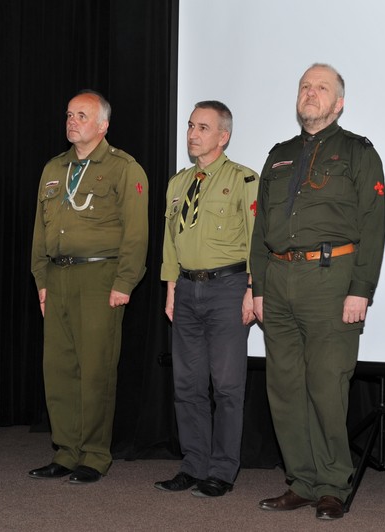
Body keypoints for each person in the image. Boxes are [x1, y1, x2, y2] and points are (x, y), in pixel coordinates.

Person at [250, 63, 385, 520]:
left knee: (327, 386)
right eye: (305, 87)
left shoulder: (357, 152)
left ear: (339, 102)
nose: (311, 93)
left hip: (331, 279)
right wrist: (259, 286)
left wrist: (361, 289)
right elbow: (261, 229)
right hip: (280, 280)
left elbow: (373, 223)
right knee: (284, 388)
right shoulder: (279, 153)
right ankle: (302, 481)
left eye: (321, 88)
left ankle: (332, 484)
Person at [29, 89, 149, 484]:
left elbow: (136, 235)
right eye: (69, 114)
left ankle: (94, 456)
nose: (72, 121)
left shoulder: (123, 168)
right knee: (59, 369)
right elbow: (39, 232)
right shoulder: (53, 168)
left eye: (81, 115)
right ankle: (65, 451)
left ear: (103, 125)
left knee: (96, 369)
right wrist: (41, 279)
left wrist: (124, 283)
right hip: (58, 277)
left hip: (100, 278)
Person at [155, 100, 259, 497]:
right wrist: (170, 288)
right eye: (190, 126)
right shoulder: (179, 183)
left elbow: (254, 240)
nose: (193, 134)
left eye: (202, 127)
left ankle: (222, 469)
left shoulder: (245, 180)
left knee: (227, 386)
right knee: (187, 385)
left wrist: (252, 290)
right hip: (185, 289)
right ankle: (193, 464)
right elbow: (171, 241)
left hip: (228, 289)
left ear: (223, 136)